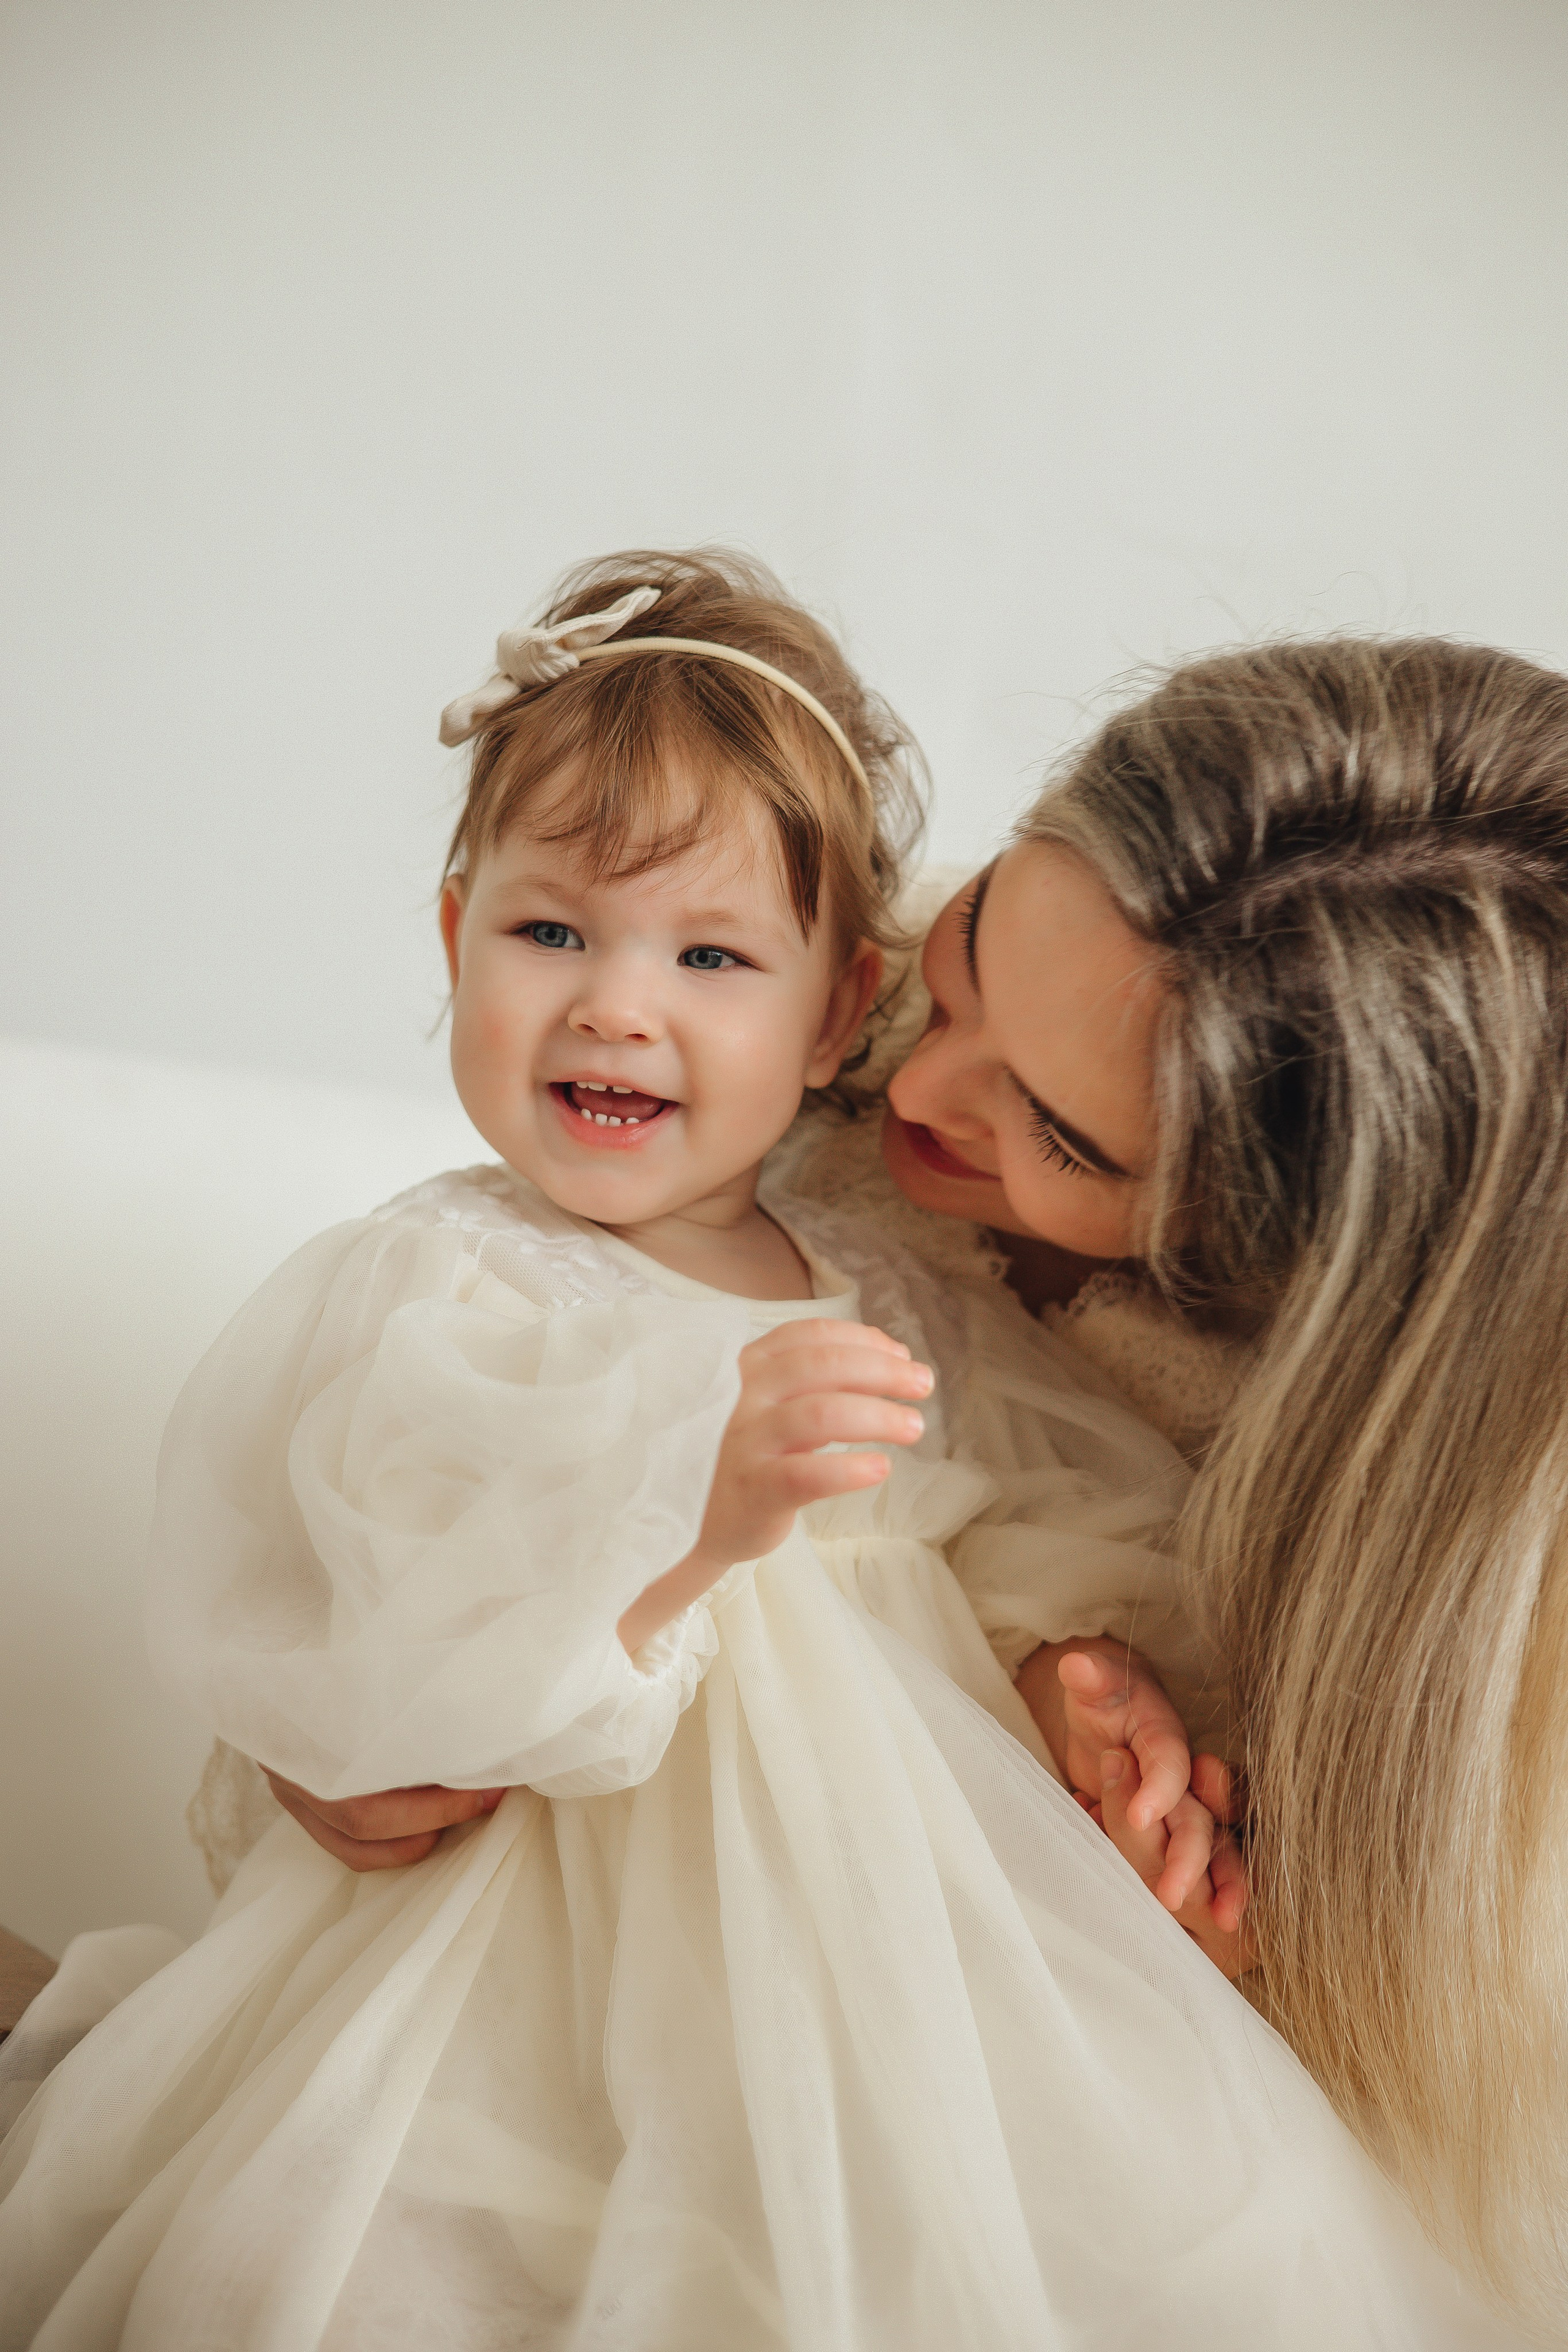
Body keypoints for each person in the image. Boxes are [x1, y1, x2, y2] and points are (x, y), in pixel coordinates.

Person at [0, 556, 1500, 2350]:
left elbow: (1005, 1511)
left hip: (897, 1946)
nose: (621, 1008)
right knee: (396, 2261)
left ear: (823, 992)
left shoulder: (891, 1281)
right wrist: (669, 1523)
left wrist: (1068, 1673)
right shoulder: (451, 1286)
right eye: (550, 934)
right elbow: (381, 1632)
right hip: (550, 1965)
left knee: (1153, 2244)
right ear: (452, 929)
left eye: (710, 959)